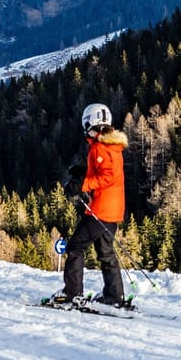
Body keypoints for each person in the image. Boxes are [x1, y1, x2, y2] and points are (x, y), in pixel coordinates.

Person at [51, 102, 129, 308]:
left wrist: (81, 185)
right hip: (114, 209)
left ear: (91, 122)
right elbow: (105, 169)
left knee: (76, 247)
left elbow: (107, 176)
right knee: (106, 252)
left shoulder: (100, 146)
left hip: (101, 210)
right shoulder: (112, 145)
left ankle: (72, 293)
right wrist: (83, 170)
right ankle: (114, 295)